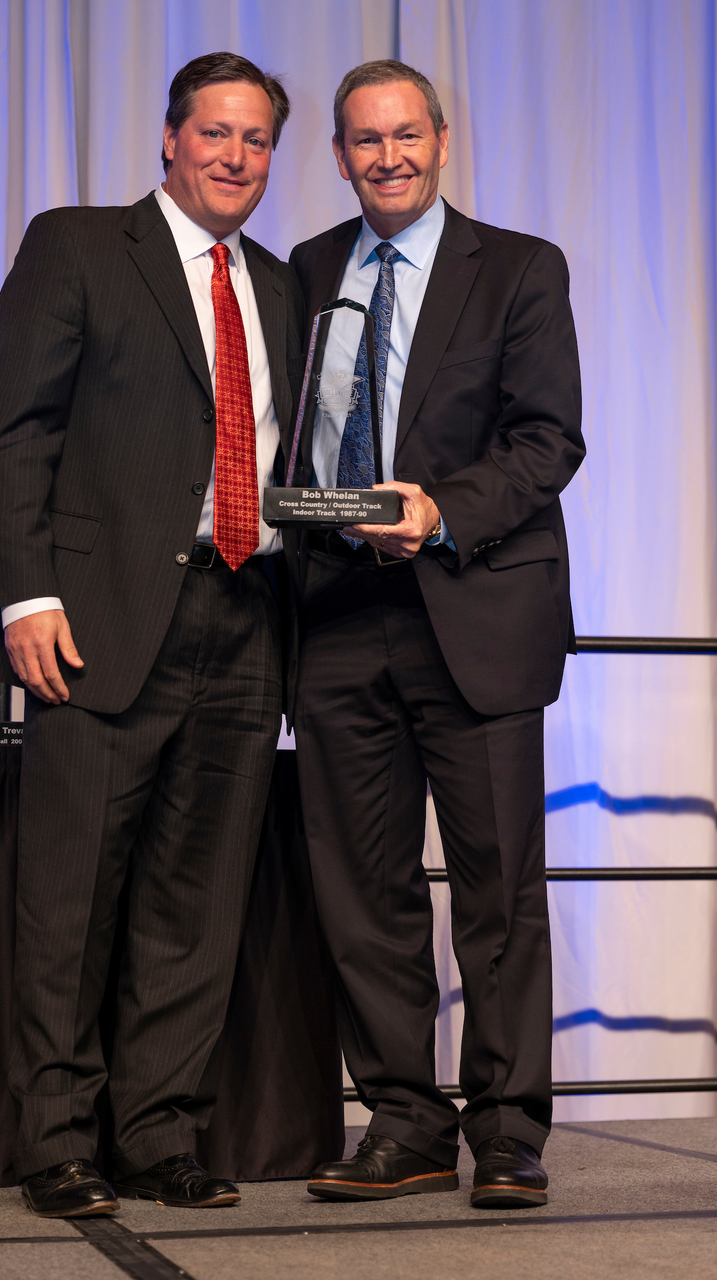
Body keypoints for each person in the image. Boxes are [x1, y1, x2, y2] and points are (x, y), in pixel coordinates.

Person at [0, 52, 304, 1218]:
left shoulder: (281, 286)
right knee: (69, 898)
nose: (234, 156)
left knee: (195, 898)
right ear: (170, 138)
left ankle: (158, 1133)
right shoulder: (76, 245)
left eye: (255, 139)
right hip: (97, 620)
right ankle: (57, 1141)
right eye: (214, 132)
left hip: (245, 614)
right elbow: (15, 429)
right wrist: (26, 594)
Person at [288, 60, 584, 1209]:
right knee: (363, 888)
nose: (388, 157)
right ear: (339, 154)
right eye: (365, 140)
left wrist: (440, 509)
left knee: (498, 888)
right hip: (338, 618)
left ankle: (506, 1131)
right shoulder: (305, 268)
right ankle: (404, 1124)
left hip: (476, 609)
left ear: (442, 141)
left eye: (405, 135)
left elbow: (547, 438)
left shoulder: (518, 266)